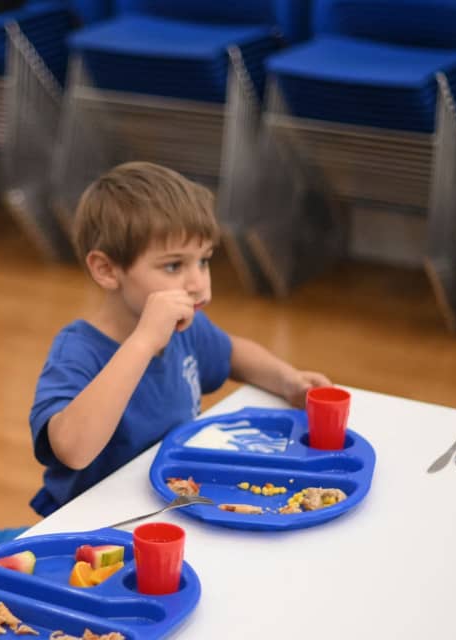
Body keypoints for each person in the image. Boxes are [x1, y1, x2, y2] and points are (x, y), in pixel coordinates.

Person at [29, 162, 331, 516]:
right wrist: (142, 342)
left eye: (203, 261)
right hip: (98, 523)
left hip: (171, 502)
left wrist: (288, 380)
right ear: (107, 270)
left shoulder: (186, 329)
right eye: (174, 266)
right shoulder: (77, 351)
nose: (197, 282)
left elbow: (233, 353)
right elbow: (73, 449)